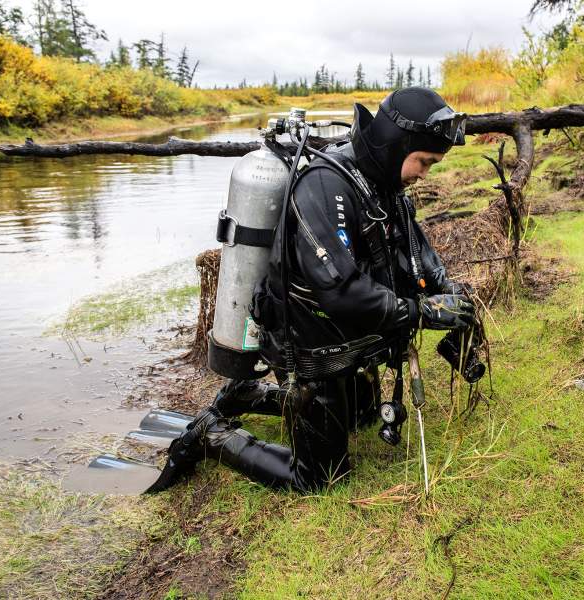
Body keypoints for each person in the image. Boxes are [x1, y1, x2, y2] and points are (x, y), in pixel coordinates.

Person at [147, 87, 476, 494]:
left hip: (348, 336)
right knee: (320, 478)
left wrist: (448, 289)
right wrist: (420, 312)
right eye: (424, 161)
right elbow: (340, 291)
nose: (425, 172)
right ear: (397, 145)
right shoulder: (325, 186)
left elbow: (415, 252)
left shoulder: (385, 185)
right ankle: (210, 434)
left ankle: (249, 395)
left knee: (362, 418)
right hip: (309, 344)